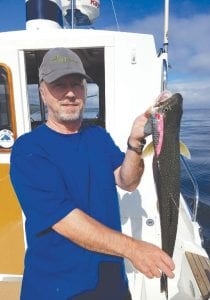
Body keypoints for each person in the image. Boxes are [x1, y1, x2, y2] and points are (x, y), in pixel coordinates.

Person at [10, 47, 175, 300]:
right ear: (42, 92)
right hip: (56, 289)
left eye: (76, 84)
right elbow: (64, 219)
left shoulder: (98, 136)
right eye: (59, 85)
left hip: (111, 282)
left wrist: (135, 142)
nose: (69, 93)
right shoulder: (28, 149)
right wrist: (133, 249)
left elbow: (127, 181)